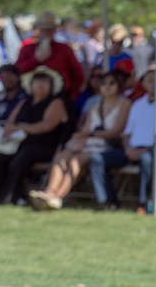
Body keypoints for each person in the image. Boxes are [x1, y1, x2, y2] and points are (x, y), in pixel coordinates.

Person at [27, 70, 131, 211]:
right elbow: (85, 129)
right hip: (88, 142)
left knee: (76, 161)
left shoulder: (124, 104)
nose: (107, 86)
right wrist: (80, 140)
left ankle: (58, 196)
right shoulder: (95, 106)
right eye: (104, 83)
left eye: (112, 83)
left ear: (119, 85)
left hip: (106, 145)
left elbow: (115, 131)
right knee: (62, 156)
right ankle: (49, 191)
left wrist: (89, 135)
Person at [88, 68, 156, 213]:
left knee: (147, 159)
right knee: (97, 158)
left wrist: (147, 149)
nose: (153, 83)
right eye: (149, 80)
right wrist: (128, 149)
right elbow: (127, 134)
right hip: (133, 149)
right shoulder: (138, 104)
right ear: (143, 83)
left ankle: (145, 204)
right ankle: (108, 201)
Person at [0, 67, 69, 205]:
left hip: (44, 146)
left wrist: (21, 128)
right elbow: (10, 123)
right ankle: (6, 195)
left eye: (45, 82)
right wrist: (12, 130)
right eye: (37, 81)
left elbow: (46, 126)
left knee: (22, 158)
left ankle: (10, 197)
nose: (40, 85)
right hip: (18, 144)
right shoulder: (24, 103)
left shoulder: (55, 102)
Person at [15, 11, 85, 100]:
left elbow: (77, 73)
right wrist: (36, 60)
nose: (47, 33)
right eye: (44, 29)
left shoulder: (64, 49)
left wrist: (73, 95)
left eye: (50, 29)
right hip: (32, 97)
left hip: (60, 96)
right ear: (38, 30)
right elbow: (17, 70)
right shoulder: (27, 49)